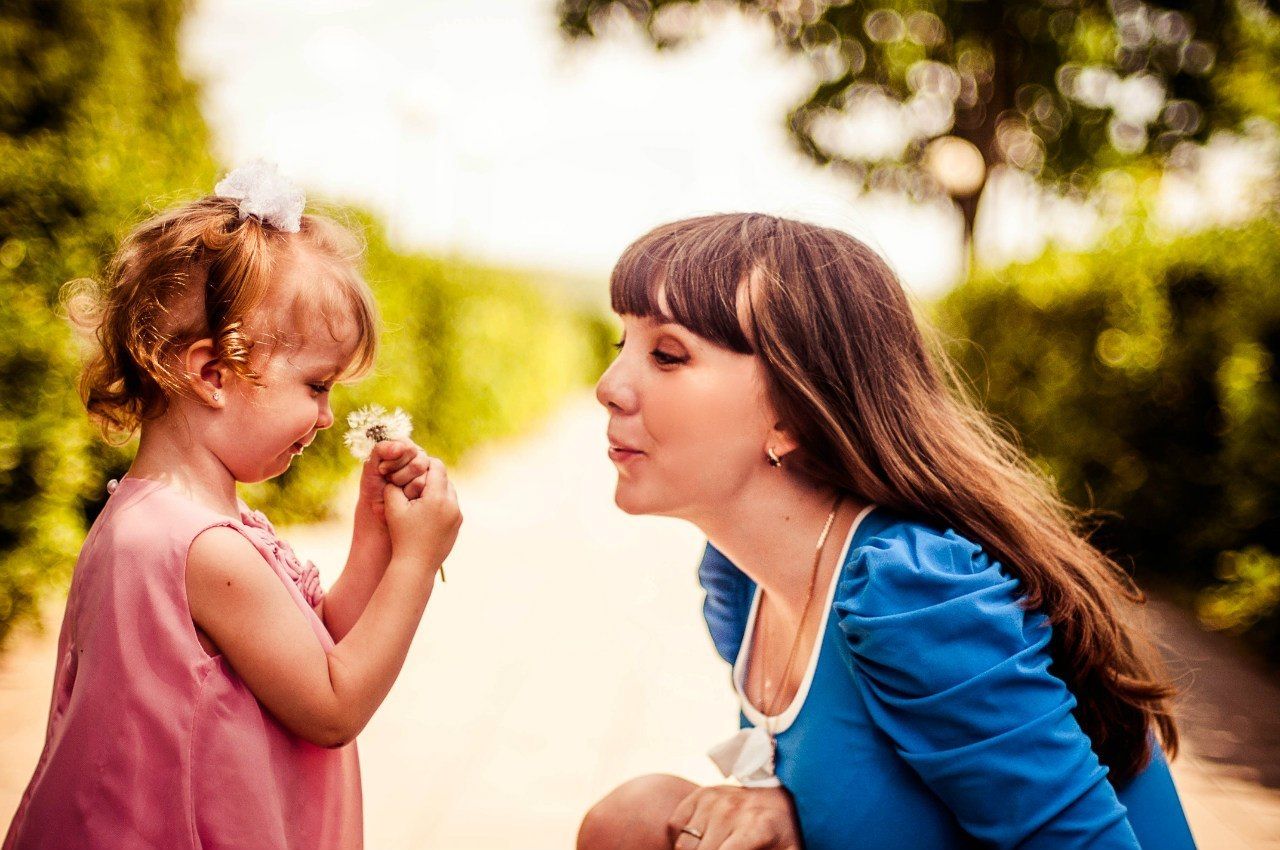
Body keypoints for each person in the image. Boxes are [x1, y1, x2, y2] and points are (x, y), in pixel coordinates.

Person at [582, 213, 1196, 849]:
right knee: (634, 819)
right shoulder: (740, 579)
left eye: (667, 355)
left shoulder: (910, 593)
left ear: (793, 412)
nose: (610, 387)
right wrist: (774, 802)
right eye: (619, 346)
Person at [3, 164, 461, 850]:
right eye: (317, 385)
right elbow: (332, 706)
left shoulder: (169, 518)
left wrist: (375, 537)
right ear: (213, 373)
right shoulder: (199, 547)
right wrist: (418, 563)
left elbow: (310, 652)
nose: (329, 417)